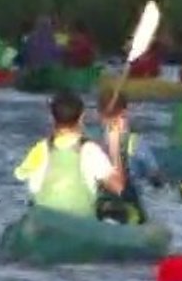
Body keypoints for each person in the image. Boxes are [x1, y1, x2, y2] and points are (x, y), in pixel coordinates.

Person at [14, 90, 126, 218]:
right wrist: (114, 143)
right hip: (80, 224)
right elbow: (118, 187)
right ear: (82, 117)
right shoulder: (90, 150)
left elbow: (21, 175)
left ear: (51, 117)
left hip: (44, 223)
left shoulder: (40, 148)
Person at [95, 90, 164, 225]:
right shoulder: (136, 142)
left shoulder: (95, 142)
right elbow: (155, 175)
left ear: (100, 115)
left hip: (100, 203)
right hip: (128, 204)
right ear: (125, 112)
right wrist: (157, 183)